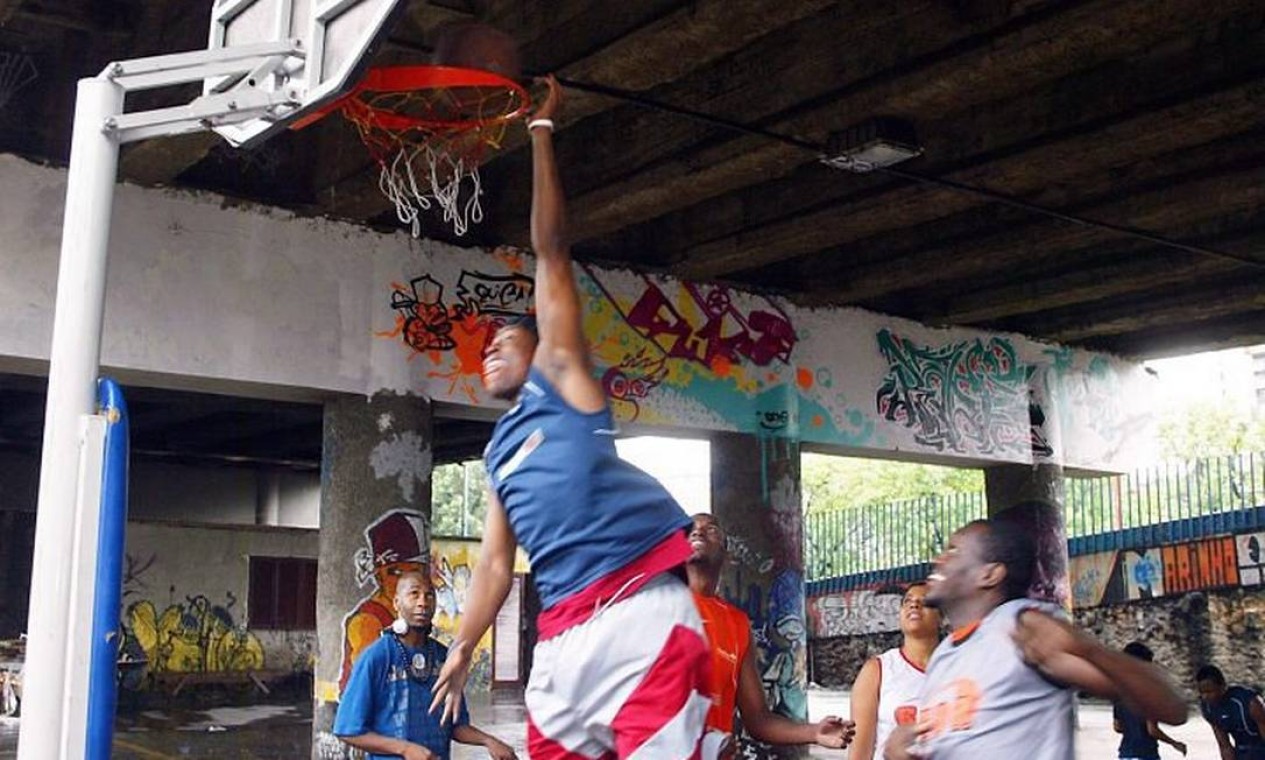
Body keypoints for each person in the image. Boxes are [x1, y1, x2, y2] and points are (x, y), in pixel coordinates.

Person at [430, 75, 711, 760]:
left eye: (505, 339)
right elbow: (496, 564)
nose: (490, 348)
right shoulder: (497, 449)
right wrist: (463, 646)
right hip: (559, 637)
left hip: (637, 612)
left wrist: (541, 132)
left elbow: (551, 251)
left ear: (542, 347)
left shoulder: (562, 382)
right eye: (485, 346)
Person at [884, 507, 1187, 760]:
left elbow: (1170, 707)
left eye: (953, 551)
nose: (939, 560)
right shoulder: (945, 656)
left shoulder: (1022, 627)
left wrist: (1088, 649)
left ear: (989, 573)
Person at [685, 513, 854, 754]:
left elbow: (759, 720)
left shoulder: (737, 624)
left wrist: (814, 732)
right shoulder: (657, 606)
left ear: (727, 554)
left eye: (711, 529)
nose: (698, 531)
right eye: (691, 529)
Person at [334, 570, 516, 760]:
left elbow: (456, 725)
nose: (423, 602)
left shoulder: (444, 656)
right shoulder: (377, 656)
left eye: (429, 595)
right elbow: (347, 730)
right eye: (414, 594)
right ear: (397, 603)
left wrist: (489, 741)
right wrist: (405, 749)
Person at [849, 582, 941, 760]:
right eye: (908, 601)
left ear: (942, 617)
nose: (914, 605)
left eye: (925, 601)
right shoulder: (877, 670)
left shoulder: (957, 666)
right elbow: (859, 753)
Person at [1113, 642, 1187, 759]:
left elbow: (1118, 727)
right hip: (1146, 753)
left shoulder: (1119, 691)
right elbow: (1152, 730)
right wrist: (1174, 743)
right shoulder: (1148, 692)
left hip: (1126, 753)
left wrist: (1132, 729)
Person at [1196, 664, 1265, 760]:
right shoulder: (1208, 708)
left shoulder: (1250, 702)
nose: (1205, 696)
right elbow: (1224, 746)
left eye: (1209, 691)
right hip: (1242, 751)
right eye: (1202, 692)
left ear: (1223, 686)